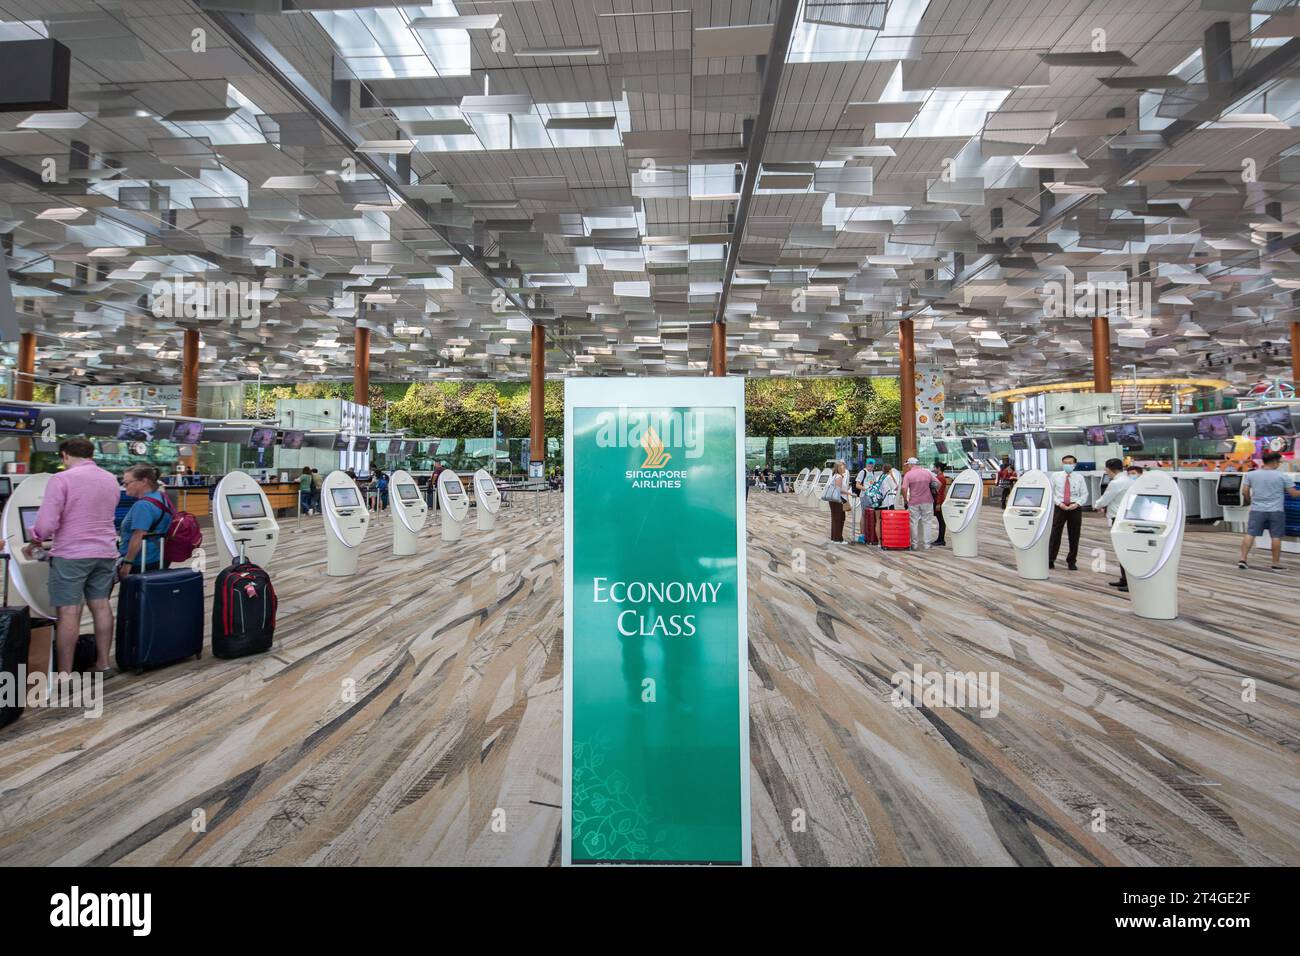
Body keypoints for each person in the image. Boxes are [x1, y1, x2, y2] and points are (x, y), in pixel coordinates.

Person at [23, 439, 121, 678]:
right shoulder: (110, 479)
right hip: (106, 551)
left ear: (64, 455)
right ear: (91, 454)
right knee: (101, 605)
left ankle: (65, 672)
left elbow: (47, 523)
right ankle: (103, 663)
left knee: (68, 611)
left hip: (72, 553)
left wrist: (35, 538)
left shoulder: (61, 479)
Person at [1238, 450, 1300, 570]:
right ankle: (1275, 564)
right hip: (1276, 510)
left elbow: (1244, 491)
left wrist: (1248, 500)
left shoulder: (1251, 475)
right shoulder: (1282, 476)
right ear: (1275, 462)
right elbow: (1293, 494)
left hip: (1257, 509)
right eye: (1279, 462)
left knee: (1250, 534)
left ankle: (1243, 559)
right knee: (1276, 536)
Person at [118, 464, 173, 576]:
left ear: (143, 481)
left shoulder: (143, 505)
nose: (124, 486)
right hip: (159, 556)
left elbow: (138, 535)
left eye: (127, 483)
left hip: (142, 562)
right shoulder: (161, 496)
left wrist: (127, 564)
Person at [1093, 459, 1136, 591]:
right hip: (1127, 517)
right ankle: (1125, 579)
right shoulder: (1129, 480)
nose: (1106, 472)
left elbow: (1105, 499)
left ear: (1110, 469)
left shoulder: (1116, 483)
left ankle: (1130, 583)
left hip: (1118, 518)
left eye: (1106, 470)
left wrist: (1097, 505)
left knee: (1123, 550)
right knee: (1125, 550)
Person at [1049, 454, 1089, 570]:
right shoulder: (1055, 476)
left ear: (1075, 464)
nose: (1067, 465)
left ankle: (1072, 561)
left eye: (1070, 463)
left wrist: (1076, 504)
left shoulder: (1079, 477)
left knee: (1074, 535)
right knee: (1055, 534)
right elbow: (1052, 492)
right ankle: (1050, 559)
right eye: (1065, 463)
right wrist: (1059, 503)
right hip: (1059, 507)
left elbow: (1084, 494)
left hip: (1075, 507)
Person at [899, 457, 936, 550]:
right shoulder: (927, 472)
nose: (908, 467)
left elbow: (904, 488)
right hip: (927, 500)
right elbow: (938, 483)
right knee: (927, 522)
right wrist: (934, 493)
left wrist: (905, 500)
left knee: (913, 522)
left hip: (913, 501)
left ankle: (914, 544)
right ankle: (927, 544)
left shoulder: (908, 475)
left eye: (908, 465)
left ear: (912, 464)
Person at [826, 460, 850, 544]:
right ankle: (838, 539)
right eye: (843, 466)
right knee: (839, 518)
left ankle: (834, 537)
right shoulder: (839, 477)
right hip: (837, 500)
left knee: (835, 518)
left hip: (833, 500)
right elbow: (839, 490)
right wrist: (850, 493)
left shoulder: (834, 475)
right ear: (839, 468)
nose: (845, 468)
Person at [932, 462, 951, 546]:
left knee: (941, 521)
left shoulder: (940, 478)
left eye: (934, 467)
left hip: (938, 501)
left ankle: (941, 539)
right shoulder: (941, 477)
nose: (933, 469)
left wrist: (938, 503)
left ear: (938, 468)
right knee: (941, 521)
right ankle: (940, 539)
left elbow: (939, 492)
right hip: (938, 501)